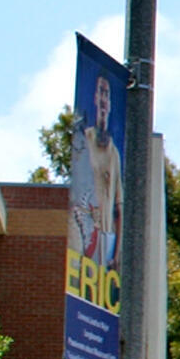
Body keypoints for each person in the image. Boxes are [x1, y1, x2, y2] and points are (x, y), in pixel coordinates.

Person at [68, 72, 123, 274]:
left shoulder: (114, 153)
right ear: (94, 97)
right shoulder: (84, 139)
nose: (102, 98)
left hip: (107, 238)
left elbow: (120, 210)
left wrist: (117, 255)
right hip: (87, 230)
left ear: (109, 102)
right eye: (100, 92)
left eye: (106, 93)